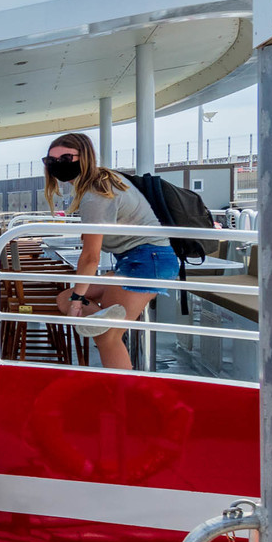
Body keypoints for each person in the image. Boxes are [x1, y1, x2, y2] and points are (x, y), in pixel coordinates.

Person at [45, 131, 179, 372]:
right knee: (64, 298)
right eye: (51, 160)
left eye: (65, 158)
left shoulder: (95, 194)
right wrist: (75, 298)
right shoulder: (105, 180)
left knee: (107, 337)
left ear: (84, 157)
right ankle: (104, 319)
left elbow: (91, 257)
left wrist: (78, 301)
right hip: (138, 260)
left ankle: (123, 392)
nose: (57, 164)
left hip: (147, 261)